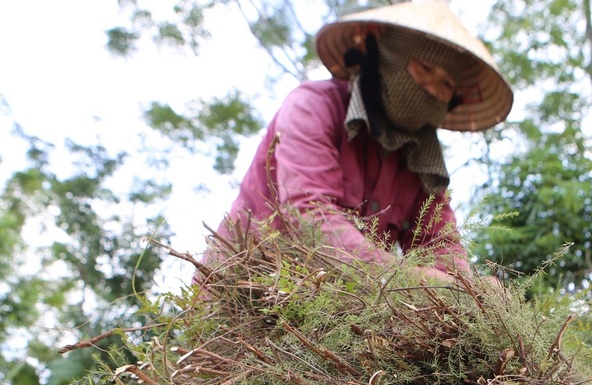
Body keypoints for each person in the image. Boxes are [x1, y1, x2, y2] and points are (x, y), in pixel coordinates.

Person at [204, 0, 513, 283]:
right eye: (425, 68)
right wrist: (411, 279)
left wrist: (467, 289)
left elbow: (439, 243)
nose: (431, 89)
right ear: (385, 54)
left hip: (329, 311)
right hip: (244, 291)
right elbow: (309, 215)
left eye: (446, 84)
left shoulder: (423, 161)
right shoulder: (314, 107)